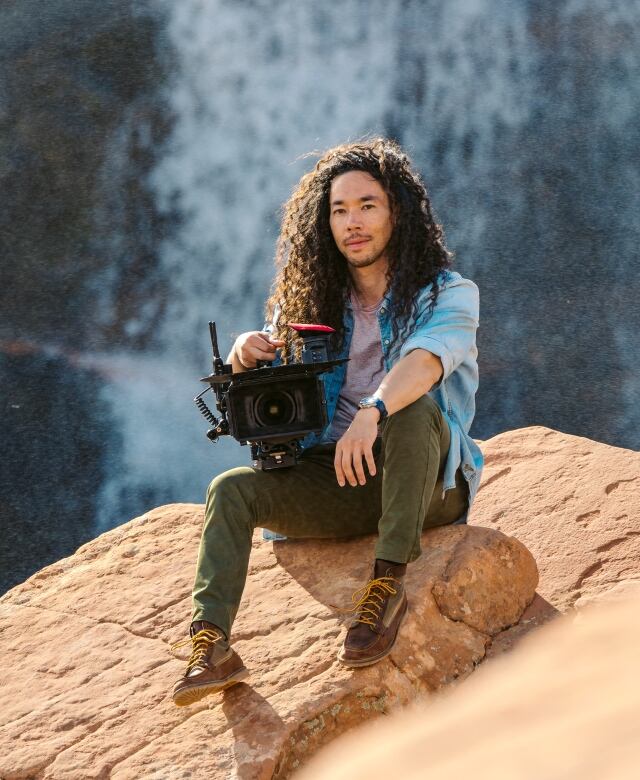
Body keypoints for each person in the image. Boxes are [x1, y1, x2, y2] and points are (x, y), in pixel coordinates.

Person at [171, 137, 483, 707]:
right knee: (230, 491)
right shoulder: (306, 304)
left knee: (413, 414)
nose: (352, 222)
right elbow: (273, 401)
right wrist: (248, 354)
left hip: (426, 483)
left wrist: (374, 411)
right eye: (338, 210)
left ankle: (386, 586)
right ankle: (210, 643)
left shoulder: (450, 294)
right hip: (341, 481)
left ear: (397, 213)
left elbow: (426, 361)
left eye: (367, 205)